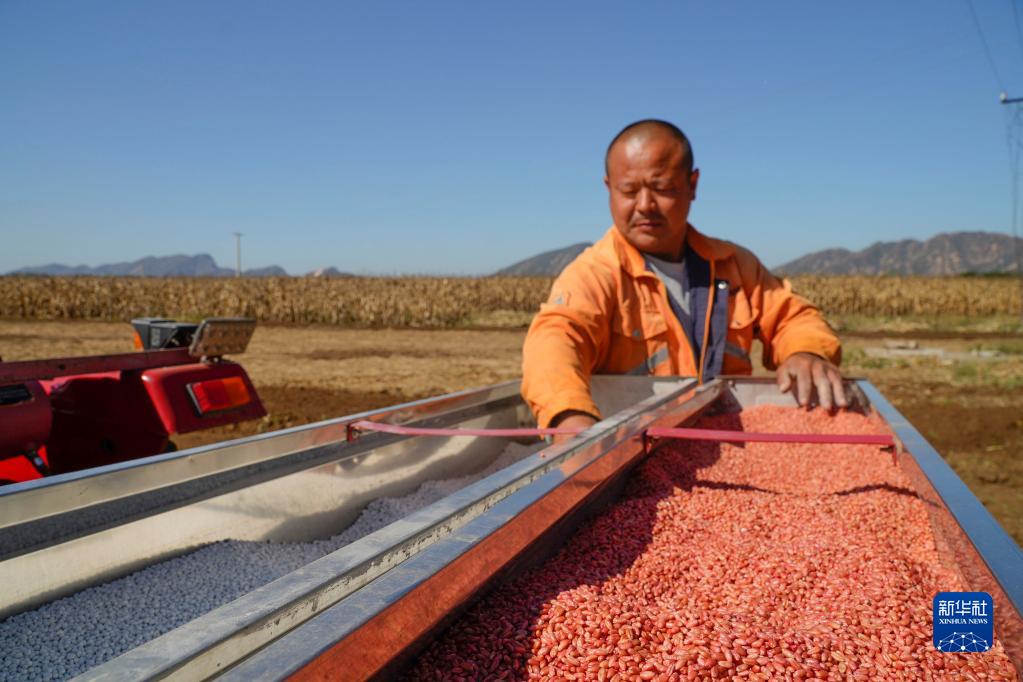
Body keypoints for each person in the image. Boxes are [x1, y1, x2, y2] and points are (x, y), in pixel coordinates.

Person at [521, 119, 846, 438]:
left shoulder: (733, 266)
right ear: (609, 188)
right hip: (629, 451)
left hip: (724, 441)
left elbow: (793, 317)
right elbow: (556, 339)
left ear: (693, 185)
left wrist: (807, 353)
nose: (645, 205)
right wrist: (568, 415)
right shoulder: (595, 274)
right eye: (629, 190)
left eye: (662, 188)